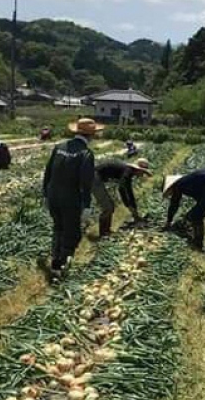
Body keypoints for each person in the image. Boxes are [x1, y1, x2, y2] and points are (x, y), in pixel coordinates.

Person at [42, 118, 103, 282]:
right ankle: (60, 265)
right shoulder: (86, 154)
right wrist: (87, 206)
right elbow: (85, 183)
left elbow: (47, 173)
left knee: (58, 227)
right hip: (70, 198)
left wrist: (45, 195)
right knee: (71, 231)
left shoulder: (59, 147)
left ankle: (55, 259)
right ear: (91, 135)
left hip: (53, 195)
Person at [163, 167, 205, 257]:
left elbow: (174, 203)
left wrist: (169, 221)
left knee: (195, 216)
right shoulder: (189, 179)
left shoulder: (179, 184)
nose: (171, 193)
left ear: (171, 185)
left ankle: (198, 245)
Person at [93, 158, 152, 237]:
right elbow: (122, 189)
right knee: (108, 207)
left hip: (94, 176)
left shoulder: (128, 171)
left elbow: (128, 191)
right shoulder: (128, 171)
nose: (142, 175)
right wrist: (130, 208)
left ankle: (106, 232)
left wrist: (133, 208)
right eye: (143, 172)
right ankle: (104, 233)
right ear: (138, 169)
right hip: (93, 177)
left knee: (109, 206)